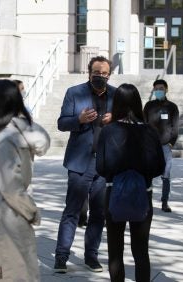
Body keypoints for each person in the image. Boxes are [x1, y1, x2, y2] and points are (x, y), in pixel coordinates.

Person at [0, 79, 50, 281]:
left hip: (3, 219)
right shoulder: (18, 134)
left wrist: (32, 211)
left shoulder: (4, 142)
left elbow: (11, 189)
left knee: (5, 274)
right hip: (12, 219)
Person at [54, 56, 116, 273]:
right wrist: (78, 120)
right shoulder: (74, 92)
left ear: (110, 75)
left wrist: (114, 120)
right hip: (80, 162)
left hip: (105, 164)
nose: (100, 76)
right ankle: (61, 256)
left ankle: (91, 256)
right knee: (72, 211)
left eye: (105, 73)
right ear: (89, 73)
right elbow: (61, 123)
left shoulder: (116, 95)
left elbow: (127, 124)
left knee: (99, 213)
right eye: (96, 72)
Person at [97, 83, 165, 282]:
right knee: (141, 250)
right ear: (138, 103)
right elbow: (159, 166)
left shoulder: (108, 131)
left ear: (116, 103)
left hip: (114, 191)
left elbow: (101, 167)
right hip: (143, 192)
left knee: (115, 250)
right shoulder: (150, 132)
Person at [143, 79, 179, 213]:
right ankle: (147, 201)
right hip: (150, 145)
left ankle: (165, 201)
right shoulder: (148, 106)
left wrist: (171, 143)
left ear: (166, 89)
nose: (159, 91)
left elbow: (175, 127)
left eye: (161, 88)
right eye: (156, 88)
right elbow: (144, 123)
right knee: (148, 174)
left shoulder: (172, 107)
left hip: (165, 145)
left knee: (166, 174)